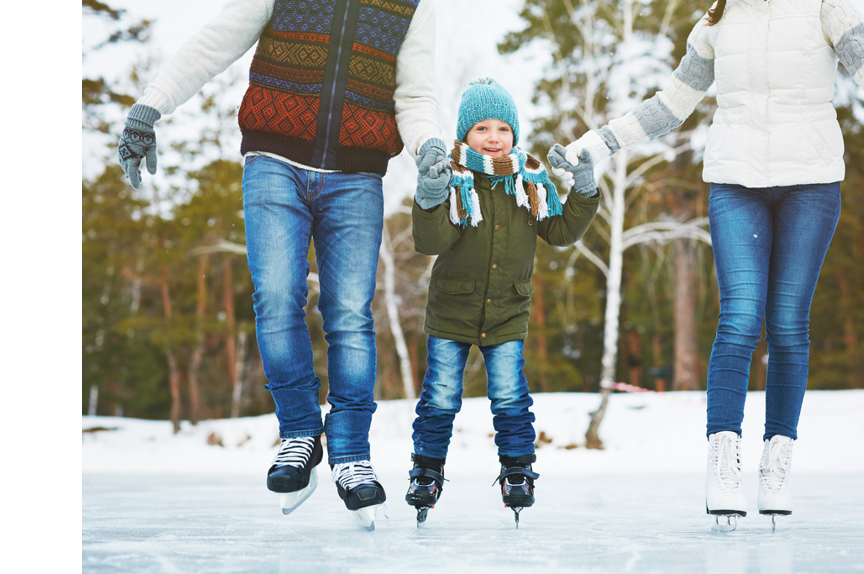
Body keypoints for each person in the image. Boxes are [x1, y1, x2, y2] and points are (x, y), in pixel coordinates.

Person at [549, 0, 864, 529]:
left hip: (811, 184)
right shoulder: (716, 20)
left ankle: (777, 461)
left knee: (787, 325)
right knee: (739, 318)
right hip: (736, 184)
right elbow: (670, 104)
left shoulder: (827, 8)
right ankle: (723, 462)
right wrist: (597, 143)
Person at [116, 0, 449, 528]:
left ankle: (350, 452)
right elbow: (215, 41)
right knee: (275, 296)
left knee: (350, 314)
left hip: (357, 176)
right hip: (274, 162)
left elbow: (414, 90)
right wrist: (149, 108)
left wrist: (430, 145)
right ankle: (299, 434)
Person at [405, 78, 601, 526]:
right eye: (481, 129)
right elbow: (430, 240)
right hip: (453, 310)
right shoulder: (452, 178)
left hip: (508, 311)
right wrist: (431, 195)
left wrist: (583, 189)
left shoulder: (530, 180)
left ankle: (517, 470)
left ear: (514, 134)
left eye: (503, 129)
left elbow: (560, 233)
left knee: (511, 397)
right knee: (439, 397)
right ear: (463, 135)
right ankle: (426, 472)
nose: (493, 138)